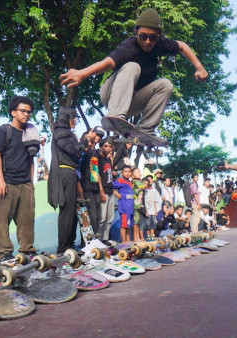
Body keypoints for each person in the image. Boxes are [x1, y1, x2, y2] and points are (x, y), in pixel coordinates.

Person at [60, 8, 208, 143]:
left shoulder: (162, 44)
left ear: (159, 36)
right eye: (143, 36)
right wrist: (83, 73)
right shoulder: (129, 47)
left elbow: (182, 46)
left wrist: (199, 67)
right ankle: (116, 115)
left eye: (153, 38)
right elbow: (108, 63)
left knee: (166, 85)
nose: (148, 42)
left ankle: (145, 129)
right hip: (112, 95)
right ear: (136, 32)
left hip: (133, 101)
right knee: (132, 66)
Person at [0, 96, 38, 261]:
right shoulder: (3, 131)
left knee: (27, 220)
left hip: (24, 184)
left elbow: (31, 159)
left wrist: (30, 182)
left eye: (29, 112)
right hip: (5, 182)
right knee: (1, 221)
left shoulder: (30, 132)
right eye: (23, 111)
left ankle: (27, 251)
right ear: (13, 112)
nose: (26, 115)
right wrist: (0, 180)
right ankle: (4, 253)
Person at [48, 107, 95, 254]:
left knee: (72, 210)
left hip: (71, 172)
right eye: (73, 118)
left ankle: (69, 244)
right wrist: (86, 140)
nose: (75, 120)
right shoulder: (61, 131)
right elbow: (71, 149)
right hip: (66, 171)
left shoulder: (65, 132)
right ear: (66, 118)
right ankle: (63, 247)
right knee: (67, 211)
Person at [97, 137, 115, 242]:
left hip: (110, 190)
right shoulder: (97, 158)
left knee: (109, 218)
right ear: (101, 147)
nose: (108, 148)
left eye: (110, 146)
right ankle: (98, 240)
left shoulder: (108, 159)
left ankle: (105, 239)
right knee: (102, 218)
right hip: (103, 190)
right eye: (106, 146)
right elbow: (97, 175)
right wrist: (101, 191)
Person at [113, 166, 134, 243]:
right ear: (122, 173)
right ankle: (124, 241)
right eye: (125, 171)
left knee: (128, 225)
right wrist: (116, 194)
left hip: (130, 207)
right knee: (123, 225)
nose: (127, 173)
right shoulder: (120, 180)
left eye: (129, 171)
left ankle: (128, 240)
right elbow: (111, 186)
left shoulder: (130, 182)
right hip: (124, 207)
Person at [144, 175, 162, 239]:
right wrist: (146, 211)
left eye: (151, 179)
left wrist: (156, 210)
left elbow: (155, 200)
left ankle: (152, 236)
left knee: (153, 225)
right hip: (147, 210)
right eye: (148, 180)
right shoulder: (145, 190)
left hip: (153, 210)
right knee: (148, 225)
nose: (150, 181)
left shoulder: (154, 190)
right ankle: (148, 236)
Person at [131, 168, 145, 241]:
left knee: (138, 221)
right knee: (135, 222)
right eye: (136, 172)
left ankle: (138, 237)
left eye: (139, 172)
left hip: (139, 204)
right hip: (134, 204)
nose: (139, 173)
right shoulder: (134, 182)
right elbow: (143, 186)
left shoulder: (140, 182)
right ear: (132, 176)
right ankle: (135, 237)